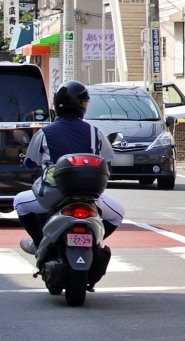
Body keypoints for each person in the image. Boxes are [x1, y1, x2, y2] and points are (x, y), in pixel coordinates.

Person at [14, 80, 125, 256]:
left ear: (57, 105)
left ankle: (39, 243)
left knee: (19, 203)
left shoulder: (45, 133)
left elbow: (31, 163)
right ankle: (94, 243)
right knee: (118, 213)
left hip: (53, 195)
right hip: (91, 197)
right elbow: (108, 165)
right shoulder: (95, 133)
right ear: (84, 106)